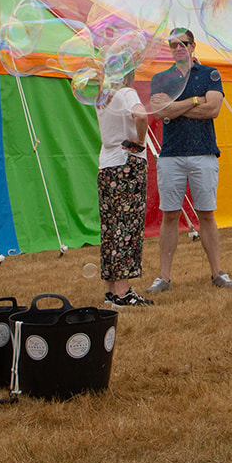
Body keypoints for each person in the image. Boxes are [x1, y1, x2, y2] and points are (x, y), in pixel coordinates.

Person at [145, 27, 232, 293]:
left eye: (182, 44)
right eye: (173, 44)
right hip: (171, 155)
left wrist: (176, 108)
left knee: (206, 214)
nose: (178, 49)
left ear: (192, 46)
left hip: (204, 154)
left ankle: (217, 272)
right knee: (170, 215)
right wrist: (195, 101)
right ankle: (163, 277)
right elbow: (160, 110)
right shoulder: (161, 78)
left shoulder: (210, 74)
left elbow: (213, 109)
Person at [96, 71, 153, 307]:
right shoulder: (127, 93)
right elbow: (141, 115)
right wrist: (140, 142)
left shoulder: (102, 97)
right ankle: (123, 292)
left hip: (106, 165)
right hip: (127, 163)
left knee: (110, 227)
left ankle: (111, 290)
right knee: (127, 225)